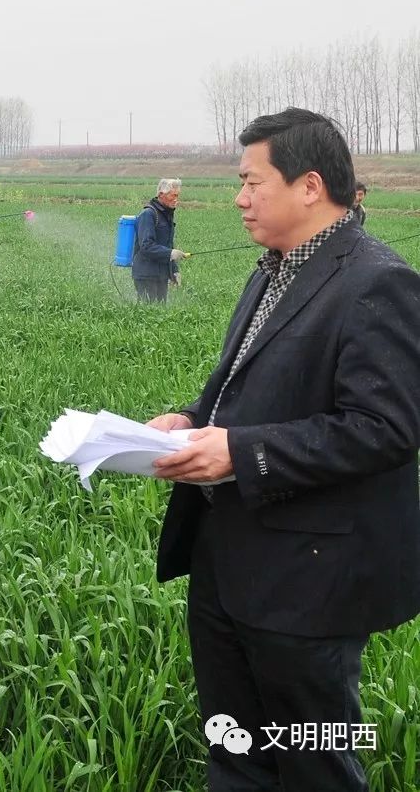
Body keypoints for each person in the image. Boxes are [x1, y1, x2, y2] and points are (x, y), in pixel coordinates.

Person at [147, 108, 420, 792]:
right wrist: (190, 419)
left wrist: (241, 453)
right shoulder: (273, 270)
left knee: (314, 764)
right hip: (226, 565)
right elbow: (245, 386)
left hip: (307, 584)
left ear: (309, 185)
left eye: (251, 181)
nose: (239, 198)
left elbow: (385, 428)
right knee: (235, 752)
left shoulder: (375, 282)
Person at [131, 178, 187, 302]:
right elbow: (146, 246)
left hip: (161, 275)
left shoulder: (166, 215)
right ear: (161, 195)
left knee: (160, 311)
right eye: (173, 195)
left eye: (177, 196)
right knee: (148, 312)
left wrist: (174, 271)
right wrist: (170, 253)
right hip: (146, 275)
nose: (176, 199)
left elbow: (167, 245)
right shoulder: (148, 214)